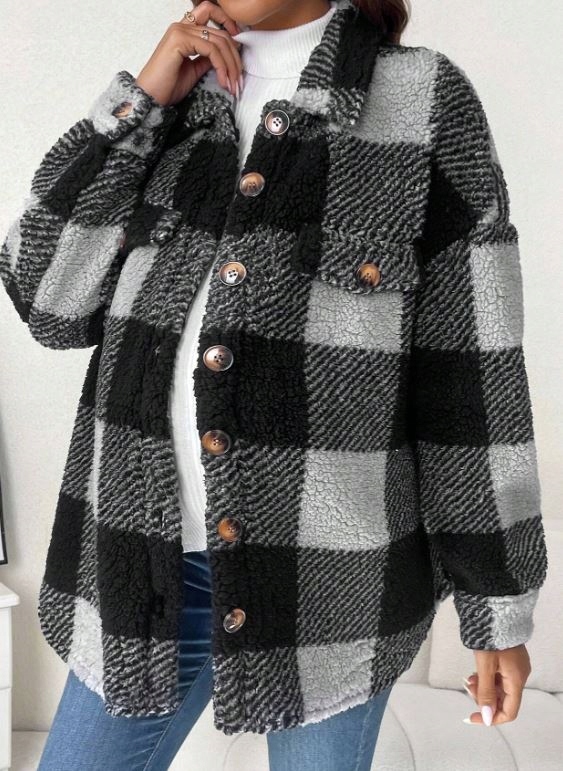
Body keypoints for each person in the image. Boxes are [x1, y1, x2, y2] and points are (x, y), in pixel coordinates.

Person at [0, 0, 548, 769]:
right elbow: (46, 301)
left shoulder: (423, 101)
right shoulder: (173, 103)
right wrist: (141, 102)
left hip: (336, 582)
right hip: (141, 565)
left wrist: (496, 607)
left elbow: (471, 373)